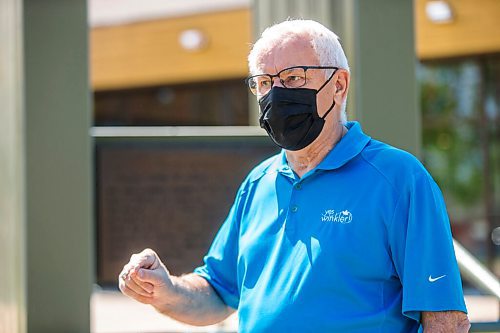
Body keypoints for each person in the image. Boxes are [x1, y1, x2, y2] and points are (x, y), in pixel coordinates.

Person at [118, 19, 470, 332]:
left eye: (292, 78)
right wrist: (164, 290)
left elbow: (444, 320)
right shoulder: (258, 183)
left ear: (339, 85)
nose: (276, 94)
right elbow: (218, 293)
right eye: (264, 83)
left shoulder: (398, 179)